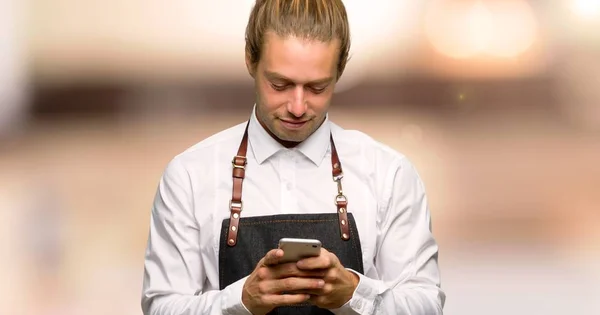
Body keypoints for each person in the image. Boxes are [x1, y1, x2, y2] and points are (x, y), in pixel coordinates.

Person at [141, 0, 445, 314]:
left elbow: (425, 304)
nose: (298, 107)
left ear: (339, 71)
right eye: (280, 84)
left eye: (317, 87)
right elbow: (162, 307)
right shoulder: (189, 176)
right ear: (250, 60)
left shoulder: (389, 174)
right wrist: (240, 301)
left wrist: (354, 294)